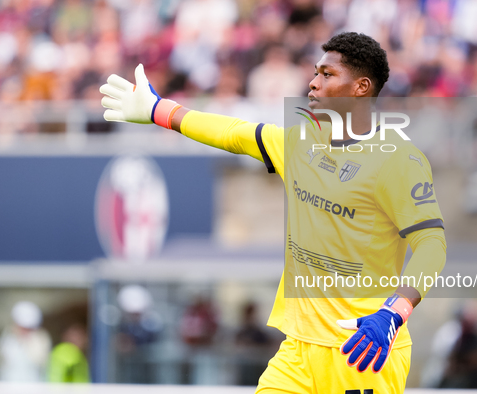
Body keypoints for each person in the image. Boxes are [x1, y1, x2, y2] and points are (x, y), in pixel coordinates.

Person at [100, 32, 447, 393]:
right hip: (297, 351)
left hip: (364, 351)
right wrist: (160, 111)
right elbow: (235, 133)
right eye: (315, 72)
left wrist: (395, 311)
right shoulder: (301, 144)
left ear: (360, 87)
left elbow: (432, 243)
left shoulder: (397, 161)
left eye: (327, 75)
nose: (312, 82)